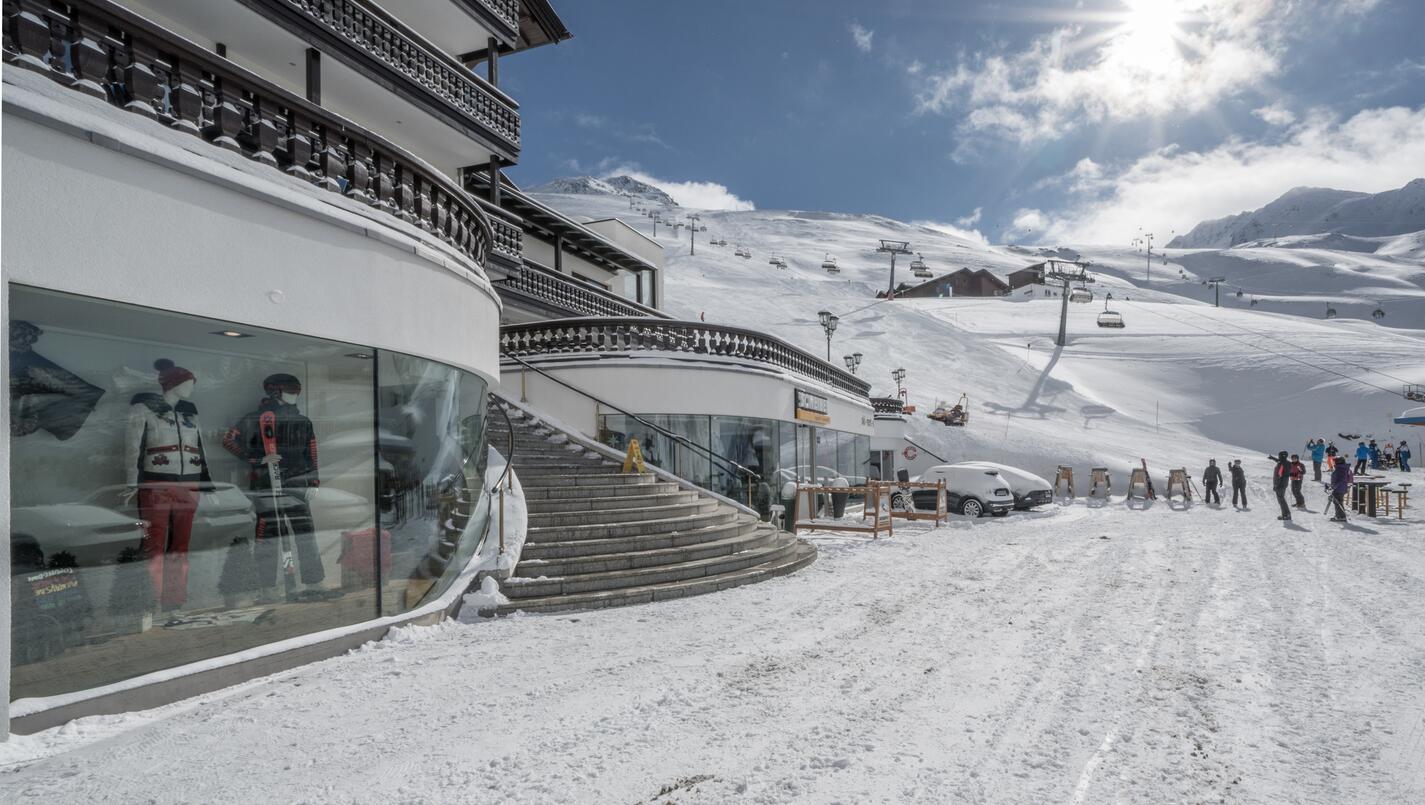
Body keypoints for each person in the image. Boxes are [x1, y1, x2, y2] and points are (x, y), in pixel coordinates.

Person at [1270, 451, 1292, 521]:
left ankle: (1286, 515)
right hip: (1284, 483)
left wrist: (1276, 485)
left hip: (1280, 484)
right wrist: (1273, 458)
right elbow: (1281, 462)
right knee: (1282, 499)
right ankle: (1286, 514)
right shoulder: (1288, 463)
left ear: (1281, 456)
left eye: (1279, 455)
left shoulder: (1280, 464)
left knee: (1281, 500)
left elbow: (1278, 475)